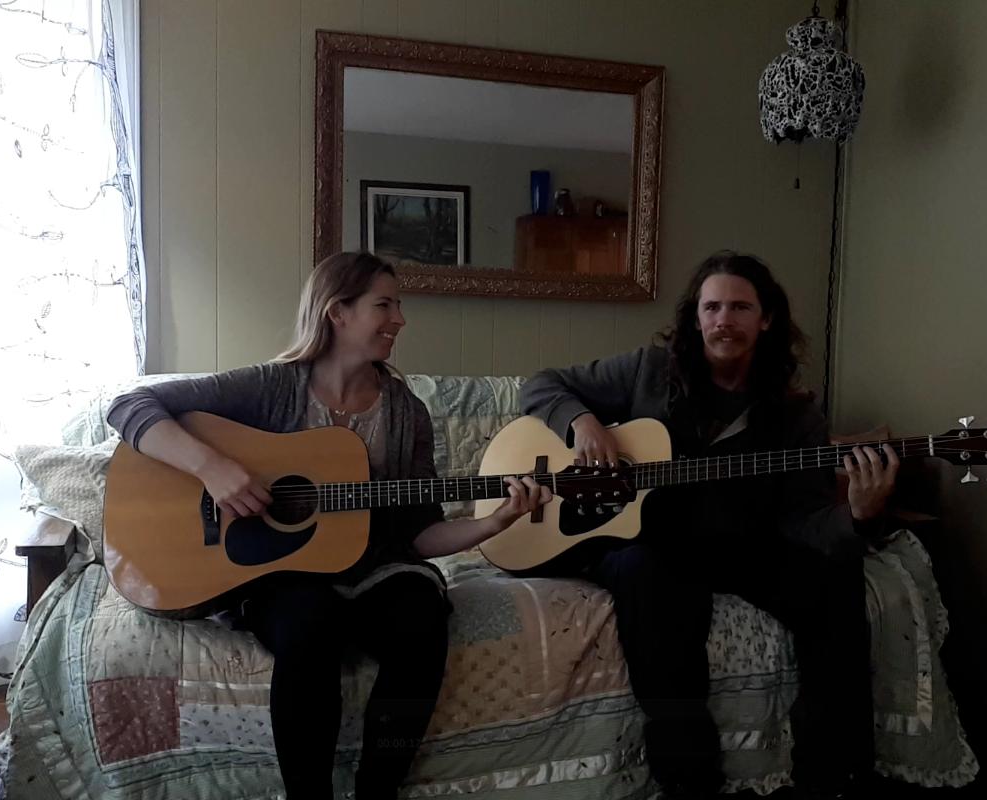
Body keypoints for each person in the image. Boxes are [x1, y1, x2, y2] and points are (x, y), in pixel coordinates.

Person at [107, 252, 551, 799]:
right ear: (336, 312)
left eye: (399, 305)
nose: (400, 320)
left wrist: (498, 520)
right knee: (309, 626)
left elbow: (419, 535)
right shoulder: (272, 387)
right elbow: (130, 406)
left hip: (376, 566)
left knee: (422, 620)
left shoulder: (405, 411)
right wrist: (212, 467)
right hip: (279, 570)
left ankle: (377, 790)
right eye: (384, 305)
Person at [519, 251, 895, 799]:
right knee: (655, 583)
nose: (724, 319)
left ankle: (832, 775)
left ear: (765, 320)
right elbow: (542, 384)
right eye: (712, 306)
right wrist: (581, 421)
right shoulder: (649, 370)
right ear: (695, 318)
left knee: (837, 577)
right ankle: (689, 781)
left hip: (741, 543)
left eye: (740, 307)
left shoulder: (795, 414)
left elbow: (808, 518)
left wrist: (859, 516)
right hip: (645, 539)